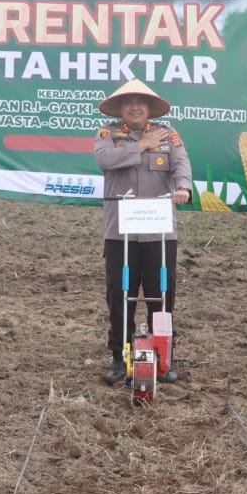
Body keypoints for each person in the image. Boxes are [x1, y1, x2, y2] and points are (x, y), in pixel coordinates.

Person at [93, 79, 192, 386]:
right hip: (120, 230)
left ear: (149, 108)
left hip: (159, 231)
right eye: (128, 102)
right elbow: (104, 160)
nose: (135, 107)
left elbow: (181, 164)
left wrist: (184, 187)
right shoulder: (107, 134)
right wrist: (142, 146)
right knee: (120, 295)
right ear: (121, 109)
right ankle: (119, 359)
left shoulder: (168, 134)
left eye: (141, 102)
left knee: (162, 295)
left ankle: (164, 356)